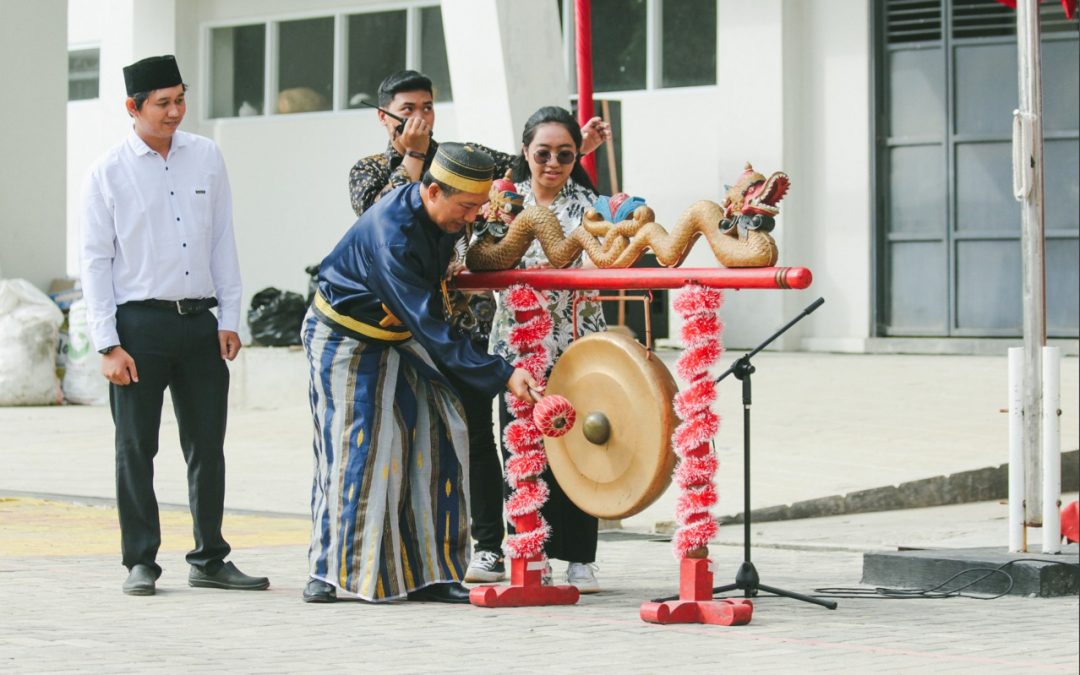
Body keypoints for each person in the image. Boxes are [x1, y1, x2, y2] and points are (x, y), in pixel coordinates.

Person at [347, 70, 610, 584]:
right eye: (408, 109)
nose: (420, 117)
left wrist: (577, 143)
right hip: (415, 326)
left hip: (489, 328)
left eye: (427, 105)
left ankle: (571, 551)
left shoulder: (470, 161)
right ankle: (485, 544)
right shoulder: (374, 169)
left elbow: (531, 155)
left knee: (564, 436)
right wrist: (416, 158)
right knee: (469, 443)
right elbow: (381, 220)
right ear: (385, 117)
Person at [303, 143, 541, 604]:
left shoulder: (444, 215)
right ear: (432, 191)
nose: (471, 218)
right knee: (357, 449)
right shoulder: (393, 233)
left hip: (402, 332)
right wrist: (503, 373)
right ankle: (330, 569)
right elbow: (430, 323)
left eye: (478, 207)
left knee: (441, 433)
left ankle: (432, 571)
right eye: (466, 207)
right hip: (346, 335)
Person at [80, 55, 268, 596]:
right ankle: (140, 560)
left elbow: (222, 239)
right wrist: (107, 344)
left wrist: (229, 316)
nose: (175, 111)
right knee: (136, 447)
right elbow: (94, 261)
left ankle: (210, 557)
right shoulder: (107, 171)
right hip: (138, 326)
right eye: (162, 103)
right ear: (132, 107)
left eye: (180, 99)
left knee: (208, 444)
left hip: (200, 324)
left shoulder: (206, 157)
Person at [489, 106, 608, 594]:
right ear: (525, 153)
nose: (553, 163)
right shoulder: (503, 203)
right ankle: (528, 552)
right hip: (517, 347)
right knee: (521, 449)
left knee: (580, 450)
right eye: (543, 153)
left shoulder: (592, 206)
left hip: (577, 347)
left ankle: (580, 558)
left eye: (565, 154)